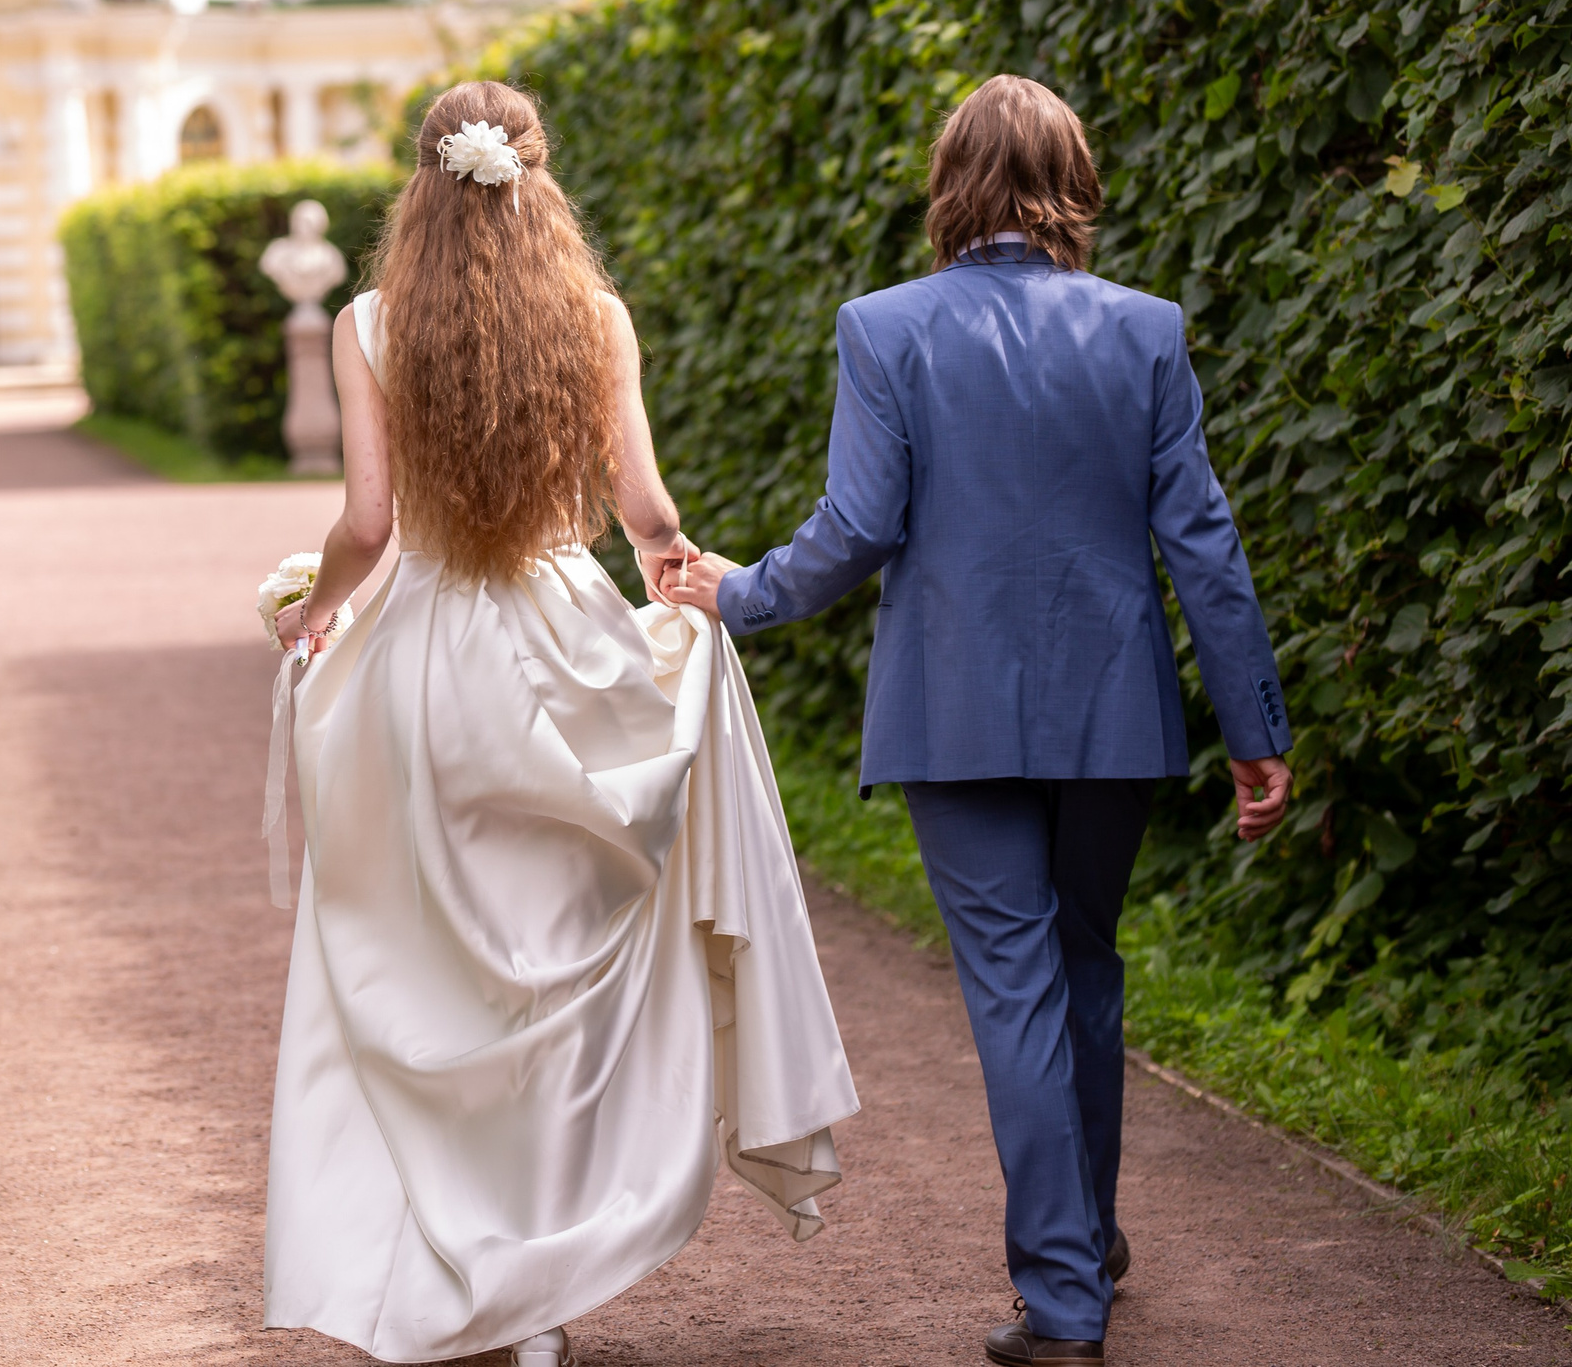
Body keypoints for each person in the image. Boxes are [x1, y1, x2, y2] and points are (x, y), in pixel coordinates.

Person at [665, 74, 1294, 1367]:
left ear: (949, 181)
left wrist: (743, 592)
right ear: (1074, 178)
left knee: (1017, 985)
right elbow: (1207, 543)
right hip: (1113, 706)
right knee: (1088, 969)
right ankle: (1089, 1243)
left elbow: (859, 527)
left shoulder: (883, 327)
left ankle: (1064, 1299)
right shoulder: (1147, 329)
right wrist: (1254, 721)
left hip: (952, 713)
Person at [261, 80, 858, 1367]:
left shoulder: (365, 322)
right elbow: (643, 507)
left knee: (430, 980)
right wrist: (681, 575)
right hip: (559, 647)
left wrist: (310, 607)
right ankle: (539, 1301)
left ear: (420, 186)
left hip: (422, 664)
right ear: (539, 179)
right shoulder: (592, 319)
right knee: (563, 983)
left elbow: (368, 527)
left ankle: (454, 1266)